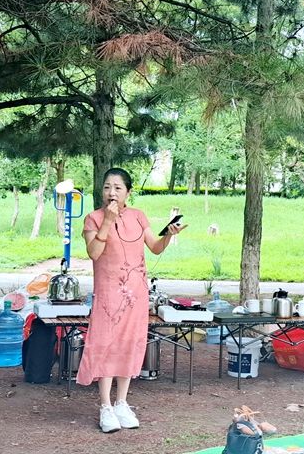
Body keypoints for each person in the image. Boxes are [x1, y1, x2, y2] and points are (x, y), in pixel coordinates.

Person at [76, 167, 187, 433]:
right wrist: (107, 221)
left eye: (117, 188)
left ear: (128, 192)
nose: (111, 192)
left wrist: (169, 234)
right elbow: (94, 252)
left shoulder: (138, 216)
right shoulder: (93, 218)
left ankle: (122, 403)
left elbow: (155, 247)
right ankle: (105, 406)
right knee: (106, 345)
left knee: (129, 344)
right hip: (109, 295)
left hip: (136, 294)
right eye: (107, 187)